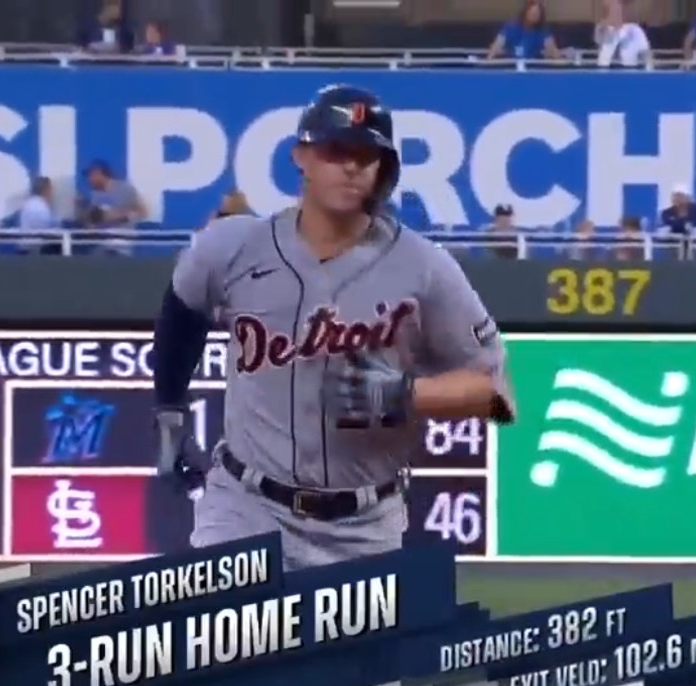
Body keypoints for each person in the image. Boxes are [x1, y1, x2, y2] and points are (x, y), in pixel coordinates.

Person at [152, 84, 516, 571]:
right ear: (301, 156)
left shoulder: (425, 268)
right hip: (245, 507)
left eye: (366, 156)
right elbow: (181, 315)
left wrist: (405, 395)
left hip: (363, 528)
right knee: (222, 645)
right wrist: (170, 413)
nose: (351, 165)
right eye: (336, 150)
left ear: (383, 169)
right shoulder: (233, 247)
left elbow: (496, 395)